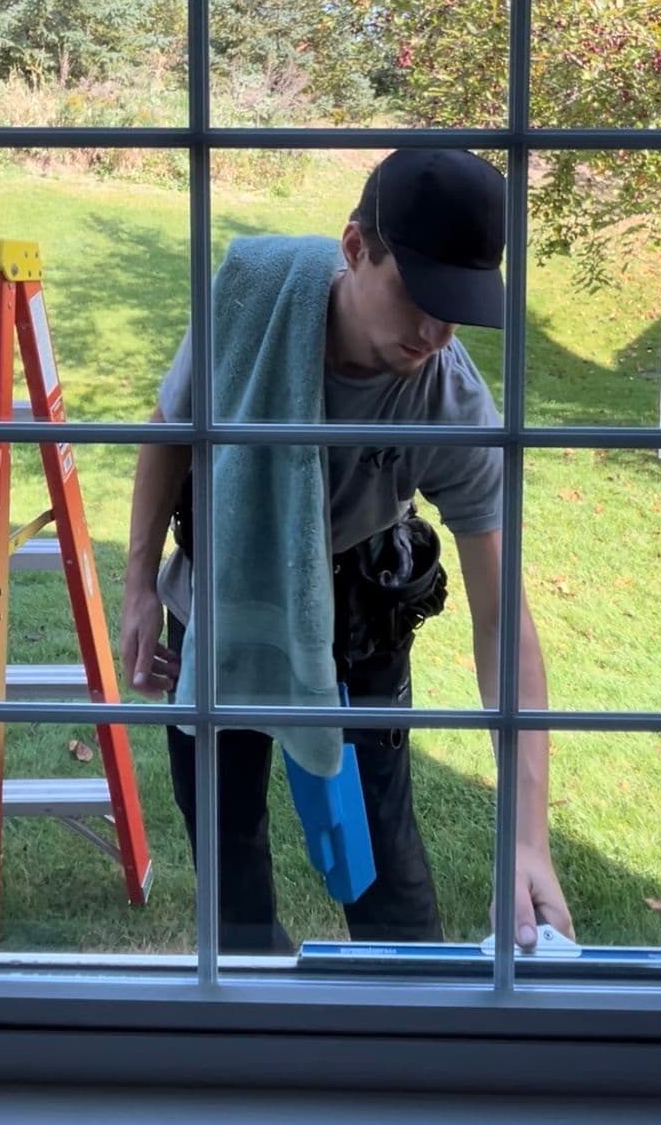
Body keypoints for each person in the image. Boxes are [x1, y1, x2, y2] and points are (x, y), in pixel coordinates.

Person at [120, 148, 573, 953]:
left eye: (459, 307)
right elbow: (169, 431)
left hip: (358, 617)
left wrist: (526, 837)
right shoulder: (248, 297)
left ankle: (411, 1039)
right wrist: (139, 588)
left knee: (386, 868)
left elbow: (504, 620)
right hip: (221, 598)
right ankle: (254, 1026)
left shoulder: (448, 399)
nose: (435, 333)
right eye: (418, 297)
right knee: (225, 851)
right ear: (356, 247)